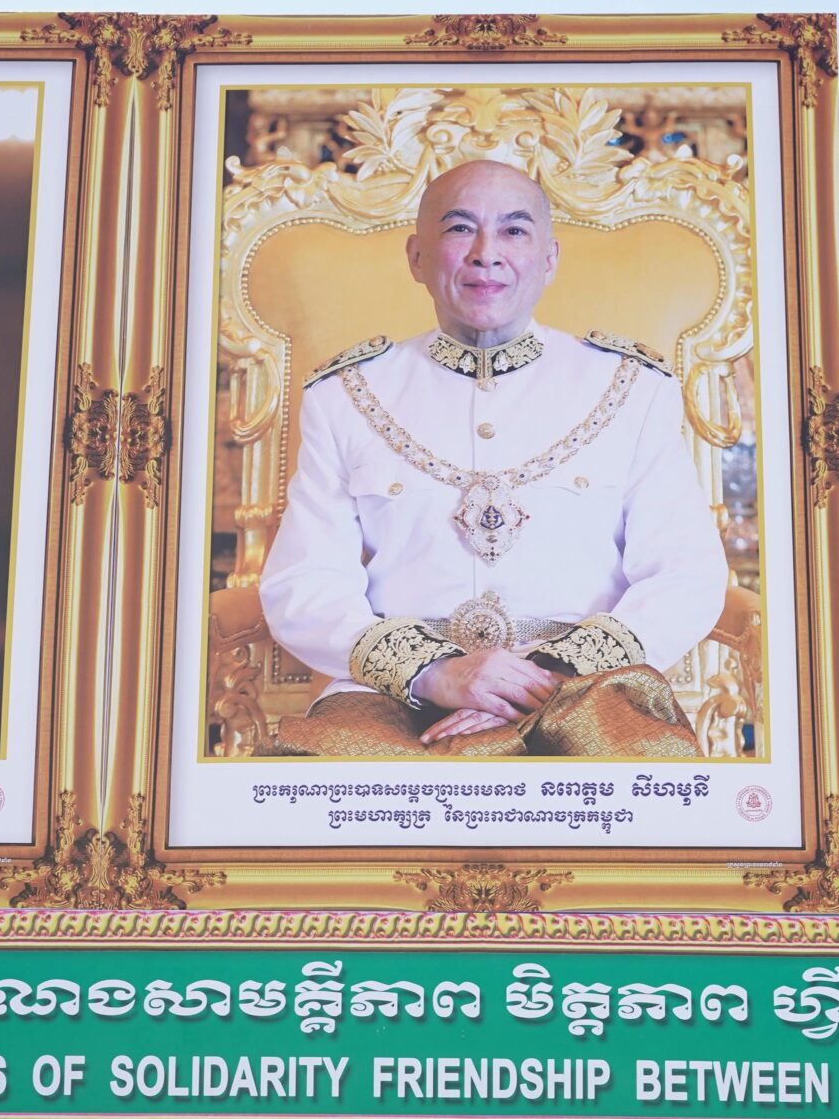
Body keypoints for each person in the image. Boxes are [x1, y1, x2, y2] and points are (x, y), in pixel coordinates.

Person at [258, 158, 729, 758]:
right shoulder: (344, 395)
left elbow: (684, 573)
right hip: (396, 693)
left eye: (513, 230)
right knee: (315, 784)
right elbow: (304, 582)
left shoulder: (633, 388)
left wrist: (544, 677)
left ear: (549, 257)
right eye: (460, 228)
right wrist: (434, 673)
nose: (487, 254)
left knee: (648, 778)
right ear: (417, 257)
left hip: (584, 687)